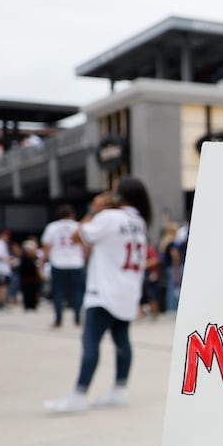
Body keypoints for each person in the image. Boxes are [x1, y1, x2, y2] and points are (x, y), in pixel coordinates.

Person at [43, 177, 152, 414]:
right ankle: (120, 389)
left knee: (90, 341)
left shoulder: (109, 218)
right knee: (122, 339)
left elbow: (77, 237)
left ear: (122, 195)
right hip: (128, 289)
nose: (109, 195)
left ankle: (79, 393)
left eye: (114, 192)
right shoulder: (139, 221)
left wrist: (93, 210)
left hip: (104, 289)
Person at [42, 204, 87, 328]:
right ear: (72, 214)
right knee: (77, 292)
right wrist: (85, 258)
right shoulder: (78, 226)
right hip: (76, 262)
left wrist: (43, 261)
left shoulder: (52, 227)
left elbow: (46, 246)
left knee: (58, 292)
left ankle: (58, 319)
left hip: (58, 262)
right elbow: (85, 245)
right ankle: (77, 318)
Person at [17, 237, 43, 312]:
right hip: (26, 278)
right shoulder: (24, 258)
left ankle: (33, 305)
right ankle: (27, 305)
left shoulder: (35, 258)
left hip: (34, 279)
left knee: (34, 292)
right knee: (27, 292)